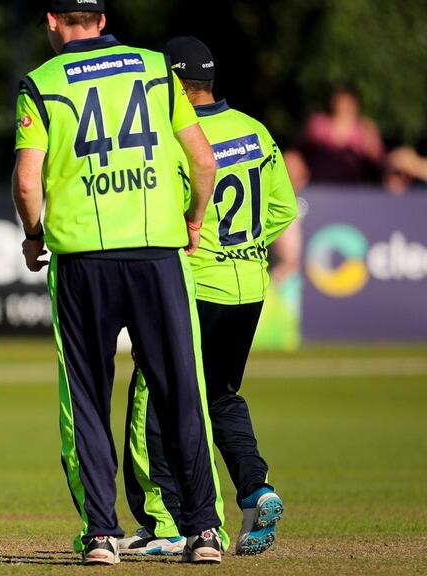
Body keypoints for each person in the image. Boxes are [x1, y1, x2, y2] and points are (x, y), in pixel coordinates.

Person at [11, 1, 225, 565]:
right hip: (157, 251)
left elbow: (28, 183)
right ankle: (203, 531)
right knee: (181, 391)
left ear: (53, 21)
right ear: (102, 20)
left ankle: (102, 535)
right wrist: (194, 220)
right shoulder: (157, 68)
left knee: (86, 396)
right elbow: (203, 162)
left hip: (82, 260)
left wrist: (34, 236)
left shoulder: (41, 82)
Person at [119, 37, 298, 558]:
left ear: (174, 83)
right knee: (218, 395)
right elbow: (284, 209)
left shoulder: (179, 137)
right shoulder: (254, 130)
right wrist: (243, 247)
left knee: (151, 395)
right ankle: (256, 489)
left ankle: (168, 525)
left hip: (196, 285)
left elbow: (165, 213)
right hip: (248, 290)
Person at [298, 84, 384, 184]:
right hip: (320, 185)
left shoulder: (366, 128)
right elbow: (299, 154)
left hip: (354, 188)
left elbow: (379, 160)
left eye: (348, 101)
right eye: (340, 101)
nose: (343, 105)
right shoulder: (318, 125)